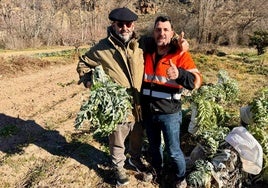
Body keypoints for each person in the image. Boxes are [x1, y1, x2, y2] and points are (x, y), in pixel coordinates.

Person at [76, 7, 189, 186]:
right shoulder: (101, 48)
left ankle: (134, 159)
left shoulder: (141, 43)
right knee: (118, 137)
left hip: (140, 102)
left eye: (128, 24)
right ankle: (118, 167)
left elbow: (163, 38)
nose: (125, 28)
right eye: (120, 24)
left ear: (133, 25)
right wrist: (90, 81)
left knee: (137, 135)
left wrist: (179, 43)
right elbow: (83, 63)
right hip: (118, 104)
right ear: (113, 25)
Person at [141, 16, 202, 188]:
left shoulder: (180, 53)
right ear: (153, 32)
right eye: (158, 30)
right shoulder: (147, 50)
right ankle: (156, 170)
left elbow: (197, 81)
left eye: (166, 30)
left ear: (172, 33)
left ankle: (180, 177)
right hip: (149, 111)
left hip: (170, 114)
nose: (162, 33)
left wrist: (180, 74)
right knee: (154, 147)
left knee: (174, 151)